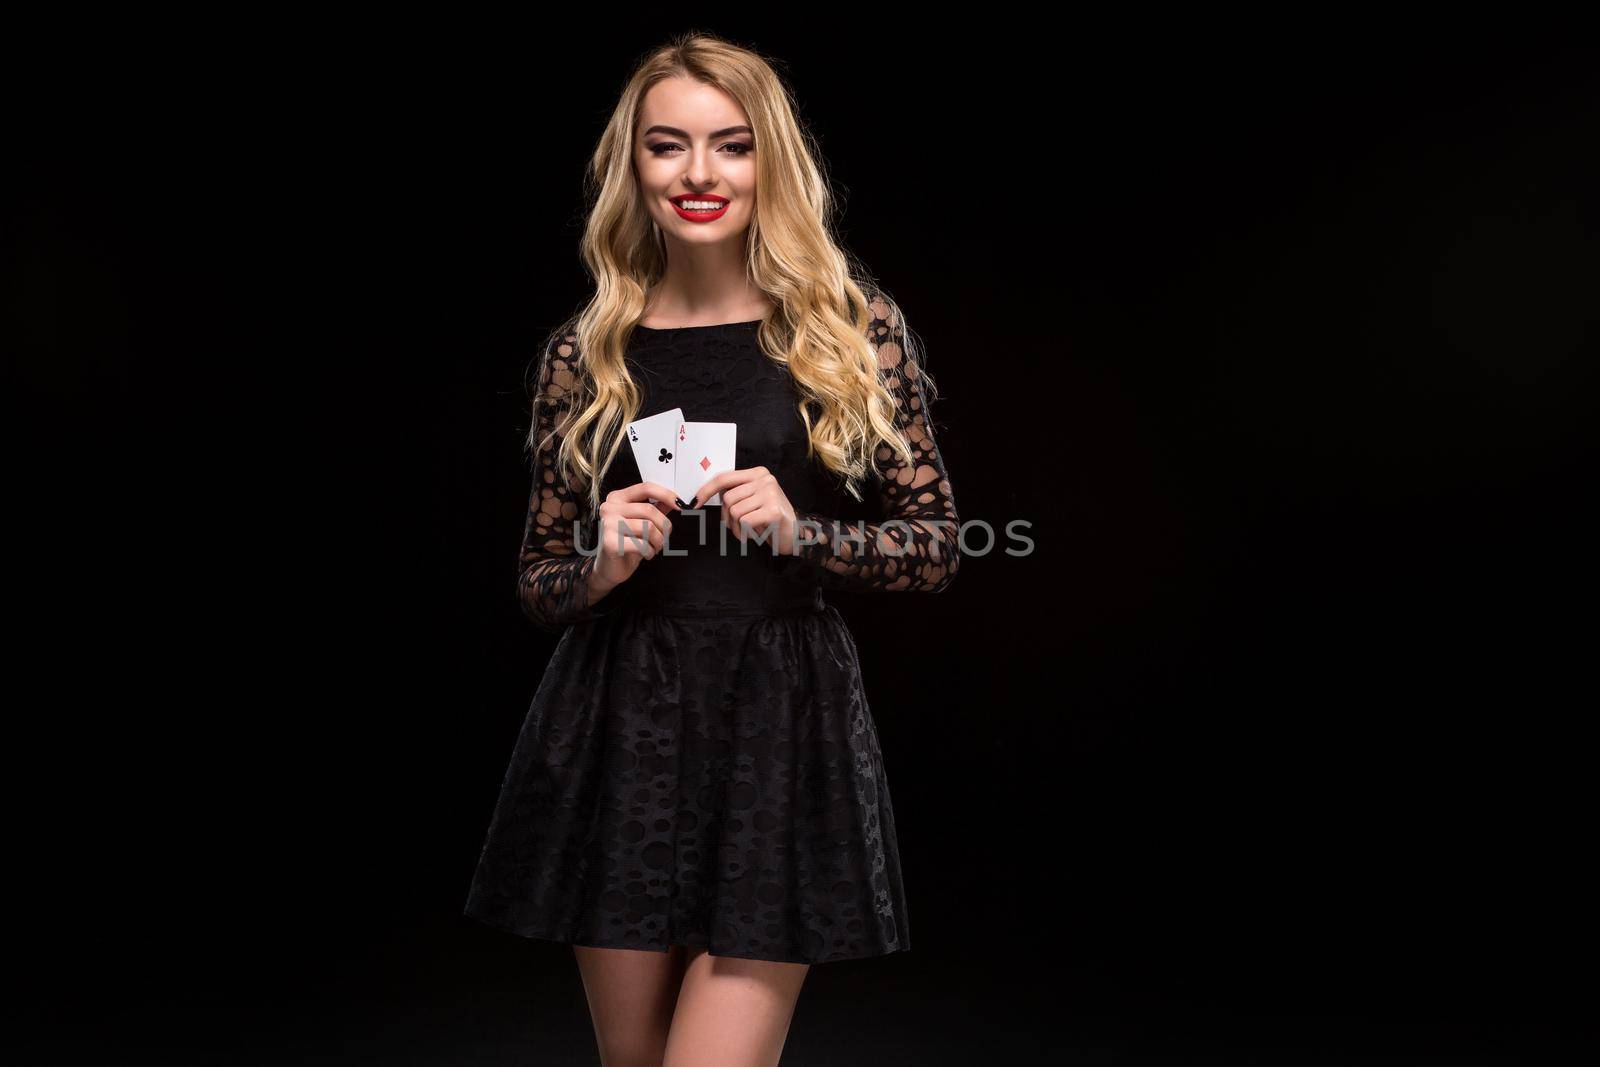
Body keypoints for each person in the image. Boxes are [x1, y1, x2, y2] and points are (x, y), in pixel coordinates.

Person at [463, 31, 960, 1067]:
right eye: (667, 146)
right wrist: (597, 562)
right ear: (631, 166)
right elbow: (537, 580)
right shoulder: (586, 349)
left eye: (729, 145)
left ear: (768, 160)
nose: (698, 174)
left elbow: (935, 545)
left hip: (779, 714)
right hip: (618, 720)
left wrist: (803, 531)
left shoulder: (844, 325)